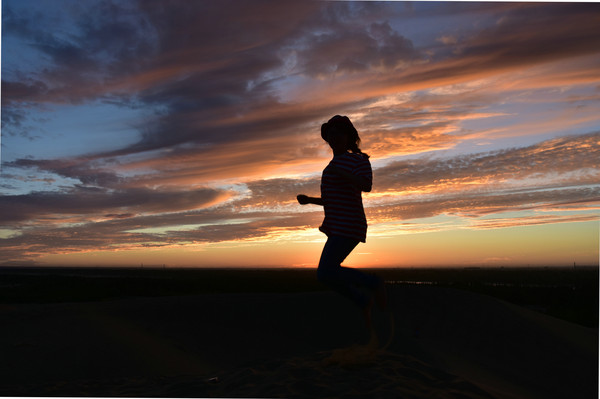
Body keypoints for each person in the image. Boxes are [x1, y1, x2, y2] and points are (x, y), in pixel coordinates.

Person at [297, 115, 387, 330]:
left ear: (349, 137)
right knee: (327, 274)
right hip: (336, 225)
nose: (334, 137)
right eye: (331, 133)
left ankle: (372, 285)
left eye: (339, 132)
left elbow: (366, 185)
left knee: (325, 272)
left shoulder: (359, 160)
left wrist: (342, 172)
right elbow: (331, 200)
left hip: (350, 224)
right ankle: (363, 300)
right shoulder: (330, 167)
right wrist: (310, 200)